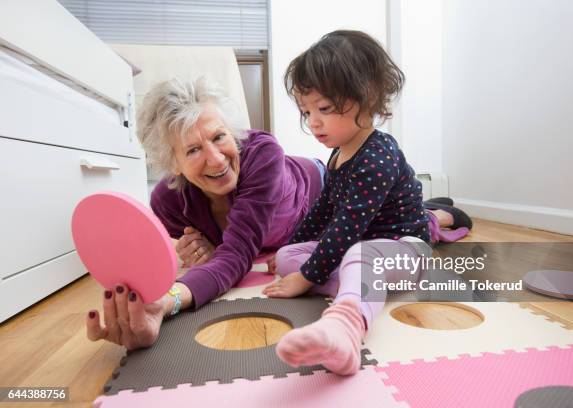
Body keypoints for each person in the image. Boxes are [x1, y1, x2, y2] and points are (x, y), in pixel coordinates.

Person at [262, 30, 471, 375]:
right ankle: (363, 287)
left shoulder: (377, 156)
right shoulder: (336, 155)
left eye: (324, 108)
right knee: (288, 259)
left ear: (368, 97)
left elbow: (347, 226)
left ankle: (346, 327)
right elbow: (321, 212)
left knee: (353, 256)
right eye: (306, 111)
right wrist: (292, 247)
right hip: (363, 251)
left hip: (406, 248)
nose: (313, 121)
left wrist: (308, 276)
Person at [85, 77, 326, 349]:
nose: (216, 159)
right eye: (193, 150)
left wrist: (168, 301)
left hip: (320, 184)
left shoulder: (264, 156)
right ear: (172, 163)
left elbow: (236, 254)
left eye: (219, 136)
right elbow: (213, 255)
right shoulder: (168, 202)